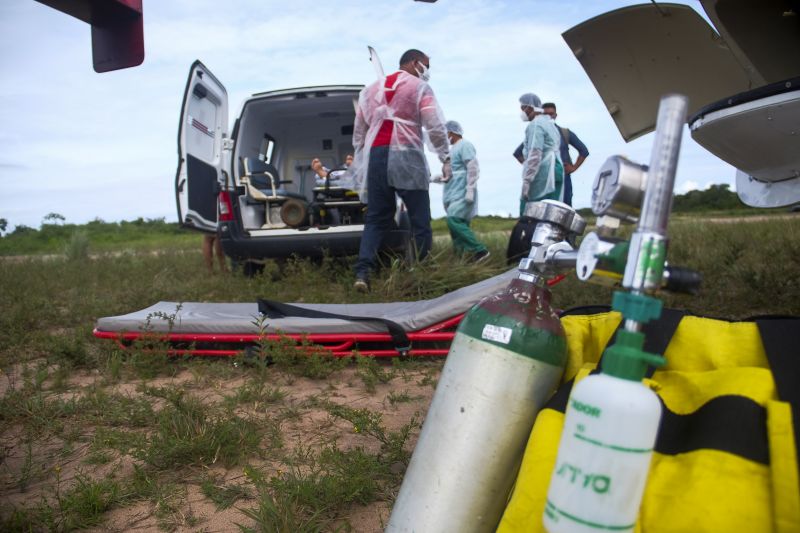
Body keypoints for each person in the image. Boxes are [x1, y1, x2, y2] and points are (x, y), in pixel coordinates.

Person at [350, 49, 450, 292]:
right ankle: (423, 272)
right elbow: (434, 125)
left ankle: (362, 273)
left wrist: (361, 158)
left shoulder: (369, 90)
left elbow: (359, 132)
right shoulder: (419, 87)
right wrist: (445, 157)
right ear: (415, 63)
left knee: (375, 218)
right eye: (426, 65)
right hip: (407, 155)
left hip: (377, 156)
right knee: (419, 219)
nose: (427, 70)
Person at [432, 120, 489, 262]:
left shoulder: (465, 145)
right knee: (458, 228)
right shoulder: (451, 151)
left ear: (451, 132)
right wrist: (435, 179)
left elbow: (472, 167)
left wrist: (470, 189)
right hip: (453, 192)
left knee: (453, 221)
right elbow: (450, 175)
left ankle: (479, 250)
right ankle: (462, 258)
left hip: (463, 192)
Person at [517, 92, 564, 216]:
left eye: (523, 108)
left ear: (530, 108)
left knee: (529, 215)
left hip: (543, 173)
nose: (522, 112)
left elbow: (535, 154)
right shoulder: (549, 124)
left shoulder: (535, 125)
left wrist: (527, 180)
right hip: (556, 170)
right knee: (551, 215)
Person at [542, 102, 589, 206]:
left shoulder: (565, 133)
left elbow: (584, 151)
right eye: (545, 114)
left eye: (551, 113)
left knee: (564, 209)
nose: (548, 116)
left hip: (563, 179)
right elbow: (520, 154)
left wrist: (574, 167)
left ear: (555, 115)